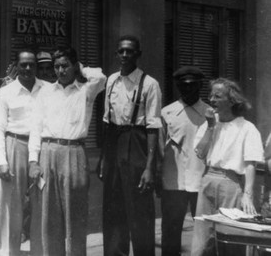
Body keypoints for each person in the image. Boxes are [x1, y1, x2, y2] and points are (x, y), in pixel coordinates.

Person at [28, 46, 106, 256]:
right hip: (48, 152)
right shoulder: (45, 92)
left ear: (74, 66)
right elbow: (35, 127)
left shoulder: (85, 90)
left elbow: (101, 77)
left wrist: (80, 67)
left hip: (74, 152)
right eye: (57, 67)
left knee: (75, 215)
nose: (61, 71)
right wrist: (33, 161)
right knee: (49, 216)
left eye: (65, 66)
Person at [99, 35, 162, 256]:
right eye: (121, 51)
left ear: (138, 54)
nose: (125, 55)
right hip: (114, 143)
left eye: (130, 51)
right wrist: (104, 160)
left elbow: (153, 127)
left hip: (138, 143)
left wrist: (149, 167)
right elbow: (107, 121)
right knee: (113, 208)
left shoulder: (150, 84)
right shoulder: (111, 80)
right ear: (116, 54)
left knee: (139, 210)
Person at [191, 78, 264, 256]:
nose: (212, 100)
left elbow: (250, 164)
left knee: (229, 240)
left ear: (232, 100)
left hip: (231, 185)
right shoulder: (209, 124)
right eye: (211, 95)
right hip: (208, 181)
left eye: (218, 96)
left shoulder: (247, 128)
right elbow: (200, 153)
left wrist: (247, 194)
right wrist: (210, 127)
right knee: (202, 240)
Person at [0, 49, 45, 256]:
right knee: (10, 207)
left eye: (32, 64)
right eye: (24, 64)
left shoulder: (47, 89)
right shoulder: (6, 92)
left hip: (41, 150)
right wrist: (1, 160)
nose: (28, 68)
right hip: (14, 146)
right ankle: (7, 253)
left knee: (40, 206)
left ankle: (39, 252)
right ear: (16, 66)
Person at [158, 66, 209, 256]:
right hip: (173, 181)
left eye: (193, 85)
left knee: (205, 232)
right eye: (184, 86)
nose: (188, 89)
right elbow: (159, 150)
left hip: (202, 182)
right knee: (170, 231)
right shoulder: (167, 113)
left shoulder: (211, 114)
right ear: (178, 87)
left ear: (200, 86)